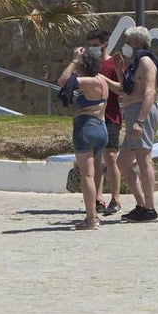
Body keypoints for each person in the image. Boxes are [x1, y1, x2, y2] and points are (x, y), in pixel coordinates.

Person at [109, 26, 158, 223]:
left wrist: (139, 121)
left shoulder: (145, 61)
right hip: (133, 111)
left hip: (141, 113)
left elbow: (150, 92)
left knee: (144, 158)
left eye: (129, 42)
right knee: (122, 162)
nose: (126, 45)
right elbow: (127, 91)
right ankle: (141, 204)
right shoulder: (135, 64)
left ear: (139, 43)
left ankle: (149, 209)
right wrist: (119, 70)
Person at [57, 46, 111, 230]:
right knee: (94, 172)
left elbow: (63, 81)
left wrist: (73, 61)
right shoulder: (102, 80)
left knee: (87, 175)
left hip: (86, 127)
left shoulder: (89, 81)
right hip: (101, 128)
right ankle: (94, 213)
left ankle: (91, 219)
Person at [84, 29, 123, 216]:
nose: (92, 48)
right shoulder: (88, 65)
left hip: (111, 115)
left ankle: (116, 198)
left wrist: (102, 79)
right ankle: (98, 198)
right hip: (91, 116)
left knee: (111, 156)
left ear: (104, 45)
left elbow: (121, 89)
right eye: (89, 45)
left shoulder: (113, 63)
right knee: (95, 158)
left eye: (95, 45)